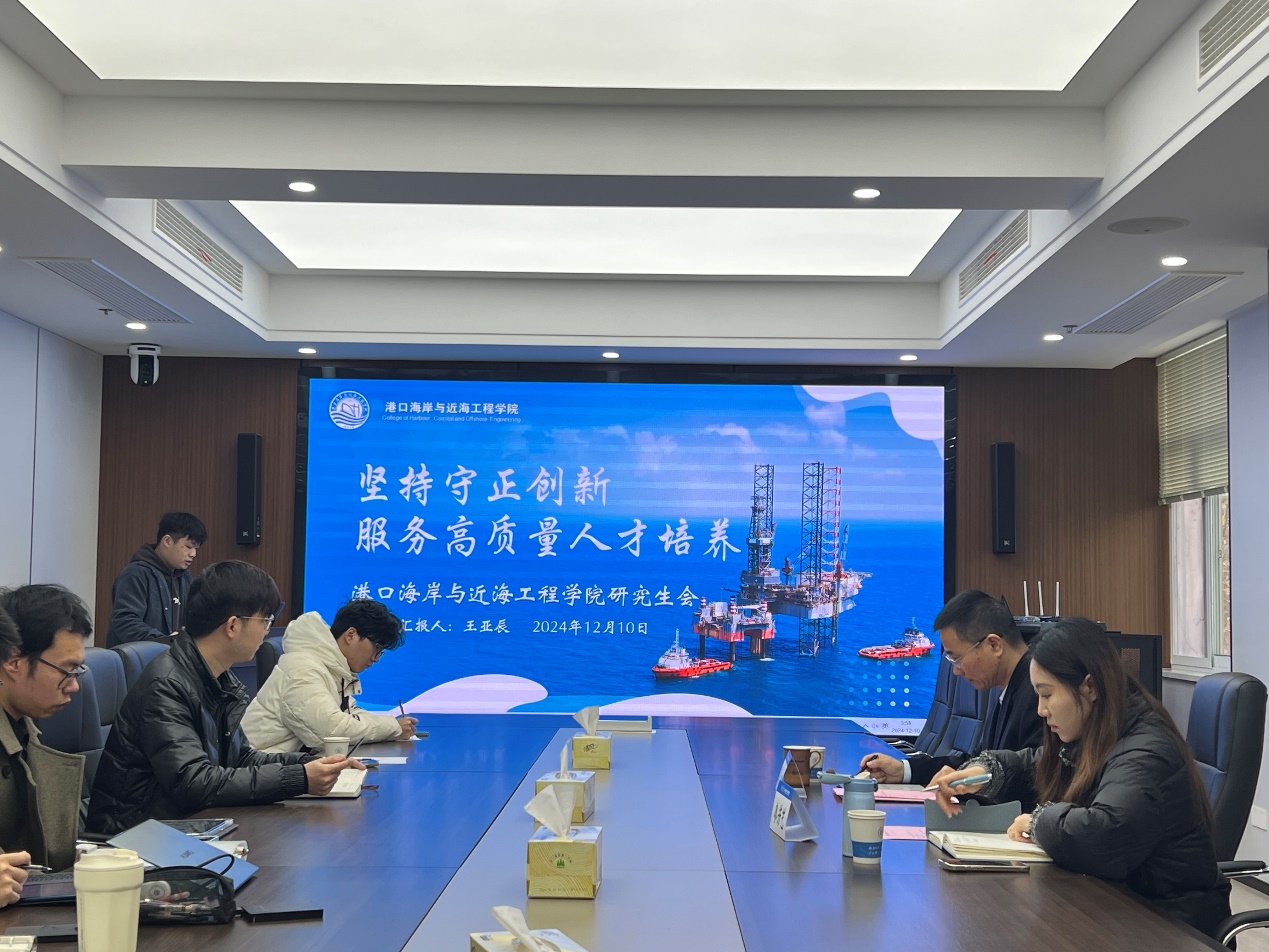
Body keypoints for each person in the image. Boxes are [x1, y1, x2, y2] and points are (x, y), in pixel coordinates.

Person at [929, 617, 1230, 939]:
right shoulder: (1100, 732)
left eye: (1047, 695)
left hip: (1169, 927)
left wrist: (1037, 822)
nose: (1041, 710)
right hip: (1119, 909)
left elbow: (1104, 834)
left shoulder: (1146, 752)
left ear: (1089, 687)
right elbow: (1036, 762)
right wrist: (985, 773)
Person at [87, 561, 362, 835]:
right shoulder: (166, 685)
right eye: (265, 621)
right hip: (136, 840)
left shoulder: (217, 678)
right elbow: (194, 782)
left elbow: (240, 758)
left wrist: (307, 764)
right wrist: (298, 779)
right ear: (232, 626)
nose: (268, 630)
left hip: (186, 826)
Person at [859, 590, 1043, 790]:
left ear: (994, 645)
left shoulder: (1037, 696)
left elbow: (1036, 776)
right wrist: (903, 770)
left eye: (956, 658)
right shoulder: (1011, 689)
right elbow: (974, 764)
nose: (956, 671)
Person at [0, 585, 93, 895]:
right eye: (66, 670)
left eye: (78, 670)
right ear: (13, 661)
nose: (74, 686)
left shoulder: (25, 732)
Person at [242, 599, 417, 753]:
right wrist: (393, 728)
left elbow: (349, 714)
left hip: (285, 767)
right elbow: (331, 732)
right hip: (260, 771)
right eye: (377, 648)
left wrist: (391, 725)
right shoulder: (303, 669)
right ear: (351, 635)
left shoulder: (330, 667)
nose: (376, 659)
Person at [106, 511, 208, 647]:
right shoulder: (135, 574)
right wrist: (164, 640)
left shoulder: (185, 577)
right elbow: (125, 621)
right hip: (139, 657)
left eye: (196, 548)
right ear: (167, 541)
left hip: (171, 656)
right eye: (188, 547)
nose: (193, 554)